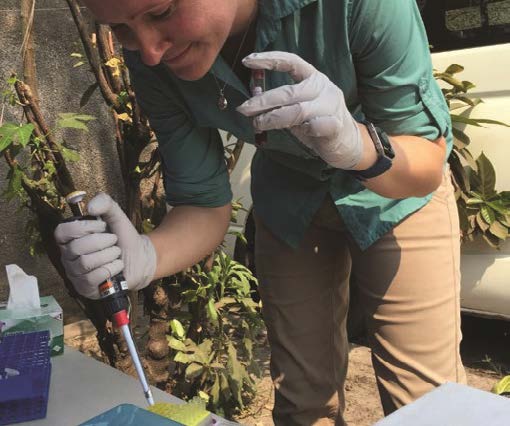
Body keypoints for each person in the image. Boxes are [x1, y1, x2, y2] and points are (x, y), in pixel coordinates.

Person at [55, 0, 467, 424]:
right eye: (120, 29)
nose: (150, 51)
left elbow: (425, 164)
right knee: (302, 404)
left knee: (428, 405)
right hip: (290, 203)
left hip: (396, 194)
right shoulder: (147, 59)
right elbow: (203, 204)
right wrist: (144, 254)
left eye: (161, 13)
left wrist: (359, 146)